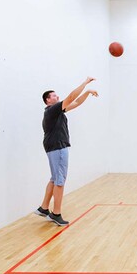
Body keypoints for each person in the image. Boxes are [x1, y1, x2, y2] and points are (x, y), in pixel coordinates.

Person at [35, 77, 98, 225]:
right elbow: (71, 97)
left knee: (54, 178)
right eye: (54, 96)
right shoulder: (52, 110)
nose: (57, 97)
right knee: (60, 181)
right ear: (47, 101)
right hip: (58, 147)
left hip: (53, 147)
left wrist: (87, 92)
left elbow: (75, 103)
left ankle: (44, 208)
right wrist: (85, 83)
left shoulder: (56, 112)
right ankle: (56, 214)